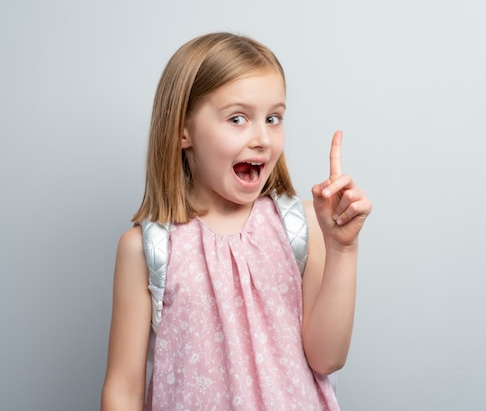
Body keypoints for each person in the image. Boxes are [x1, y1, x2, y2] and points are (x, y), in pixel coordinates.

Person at [101, 32, 372, 410]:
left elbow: (327, 359)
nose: (262, 138)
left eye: (273, 118)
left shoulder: (301, 226)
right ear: (183, 129)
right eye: (238, 118)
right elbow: (122, 390)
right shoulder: (147, 249)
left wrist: (343, 249)